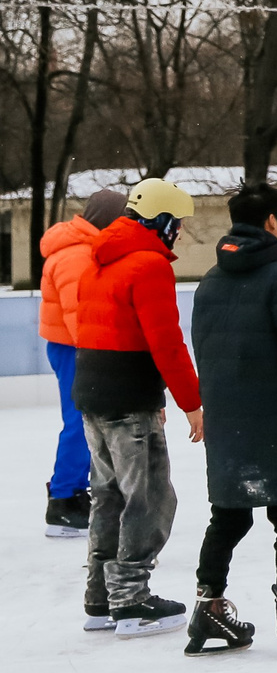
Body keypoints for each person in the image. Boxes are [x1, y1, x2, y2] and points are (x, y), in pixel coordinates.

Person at [186, 182, 277, 656]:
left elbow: (205, 352)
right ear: (272, 221)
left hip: (228, 421)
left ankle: (208, 605)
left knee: (227, 517)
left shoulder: (209, 282)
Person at [73, 177, 203, 637]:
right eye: (179, 224)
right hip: (127, 404)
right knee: (149, 497)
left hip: (91, 395)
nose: (181, 234)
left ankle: (99, 596)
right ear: (161, 221)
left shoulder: (99, 260)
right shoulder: (148, 265)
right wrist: (191, 402)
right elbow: (165, 343)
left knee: (108, 495)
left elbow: (105, 333)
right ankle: (130, 598)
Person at [37, 186, 123, 539]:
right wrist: (99, 352)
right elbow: (79, 314)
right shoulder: (77, 255)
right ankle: (64, 499)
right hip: (76, 347)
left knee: (85, 420)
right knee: (80, 421)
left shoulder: (86, 248)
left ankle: (71, 493)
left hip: (74, 346)